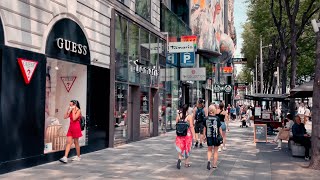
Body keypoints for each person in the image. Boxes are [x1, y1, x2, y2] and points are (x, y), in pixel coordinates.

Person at [175, 105, 196, 169]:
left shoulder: (178, 115)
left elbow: (176, 124)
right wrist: (194, 136)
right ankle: (186, 163)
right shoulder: (189, 116)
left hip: (180, 134)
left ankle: (179, 159)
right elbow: (191, 127)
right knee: (187, 148)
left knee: (180, 148)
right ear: (187, 109)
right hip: (187, 134)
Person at [204, 104, 223, 170]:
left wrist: (204, 136)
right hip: (216, 136)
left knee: (209, 150)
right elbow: (220, 128)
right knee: (215, 150)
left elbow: (204, 128)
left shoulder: (206, 118)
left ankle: (209, 160)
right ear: (214, 110)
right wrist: (221, 136)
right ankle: (214, 164)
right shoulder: (217, 118)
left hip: (209, 136)